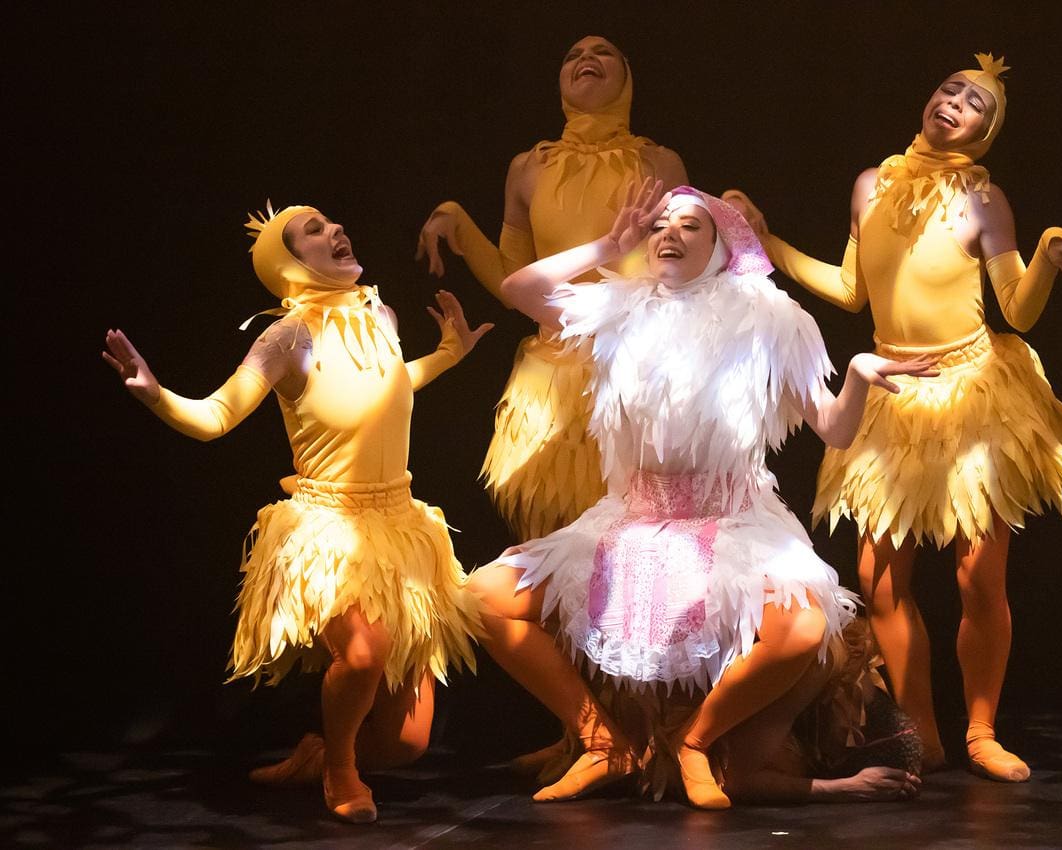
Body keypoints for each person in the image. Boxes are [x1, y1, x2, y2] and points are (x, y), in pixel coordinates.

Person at [466, 179, 936, 809]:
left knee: (801, 627)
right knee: (485, 598)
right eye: (661, 224)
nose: (671, 233)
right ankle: (600, 740)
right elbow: (520, 288)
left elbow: (835, 428)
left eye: (691, 225)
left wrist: (856, 376)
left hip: (731, 519)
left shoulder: (770, 318)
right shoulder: (620, 306)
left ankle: (695, 744)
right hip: (632, 519)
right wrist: (608, 243)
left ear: (721, 245)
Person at [723, 54, 1062, 782]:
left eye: (975, 103)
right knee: (880, 582)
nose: (956, 102)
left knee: (978, 578)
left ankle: (980, 731)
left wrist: (1044, 250)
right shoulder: (871, 185)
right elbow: (850, 291)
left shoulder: (983, 200)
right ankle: (924, 736)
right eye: (950, 89)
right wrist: (766, 239)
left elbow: (1018, 310)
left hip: (971, 393)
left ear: (985, 132)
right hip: (890, 396)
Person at [102, 203, 492, 823]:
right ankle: (339, 769)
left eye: (334, 222)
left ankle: (322, 753)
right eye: (314, 231)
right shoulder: (286, 337)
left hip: (401, 526)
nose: (336, 230)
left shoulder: (380, 316)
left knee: (405, 746)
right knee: (363, 654)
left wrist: (449, 354)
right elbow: (217, 416)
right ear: (289, 264)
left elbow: (383, 390)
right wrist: (156, 395)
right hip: (329, 529)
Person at [416, 35, 688, 542]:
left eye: (602, 52)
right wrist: (458, 222)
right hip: (550, 376)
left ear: (627, 78)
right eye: (572, 55)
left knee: (629, 548)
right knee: (547, 548)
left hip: (631, 372)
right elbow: (509, 281)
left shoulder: (660, 164)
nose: (586, 59)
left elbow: (686, 269)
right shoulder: (527, 168)